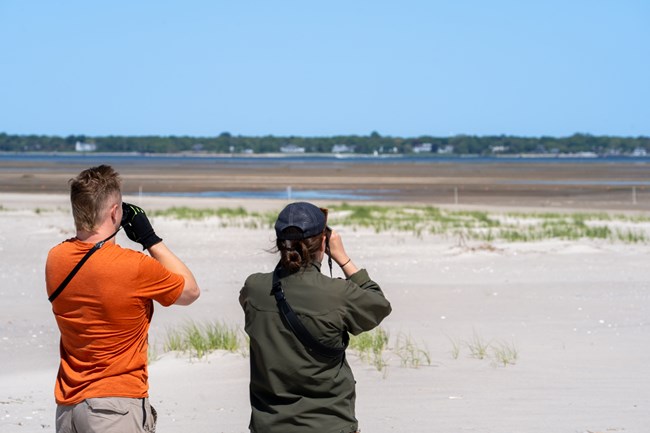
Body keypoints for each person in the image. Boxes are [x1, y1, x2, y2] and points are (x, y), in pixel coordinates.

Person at [45, 165, 200, 433]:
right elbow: (190, 291)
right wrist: (150, 238)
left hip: (69, 405)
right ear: (115, 212)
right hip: (115, 404)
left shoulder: (55, 258)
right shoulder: (133, 266)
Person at [239, 201, 391, 433]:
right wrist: (343, 258)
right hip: (329, 424)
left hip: (268, 425)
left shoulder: (254, 288)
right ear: (324, 241)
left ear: (279, 243)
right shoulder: (338, 294)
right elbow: (378, 305)